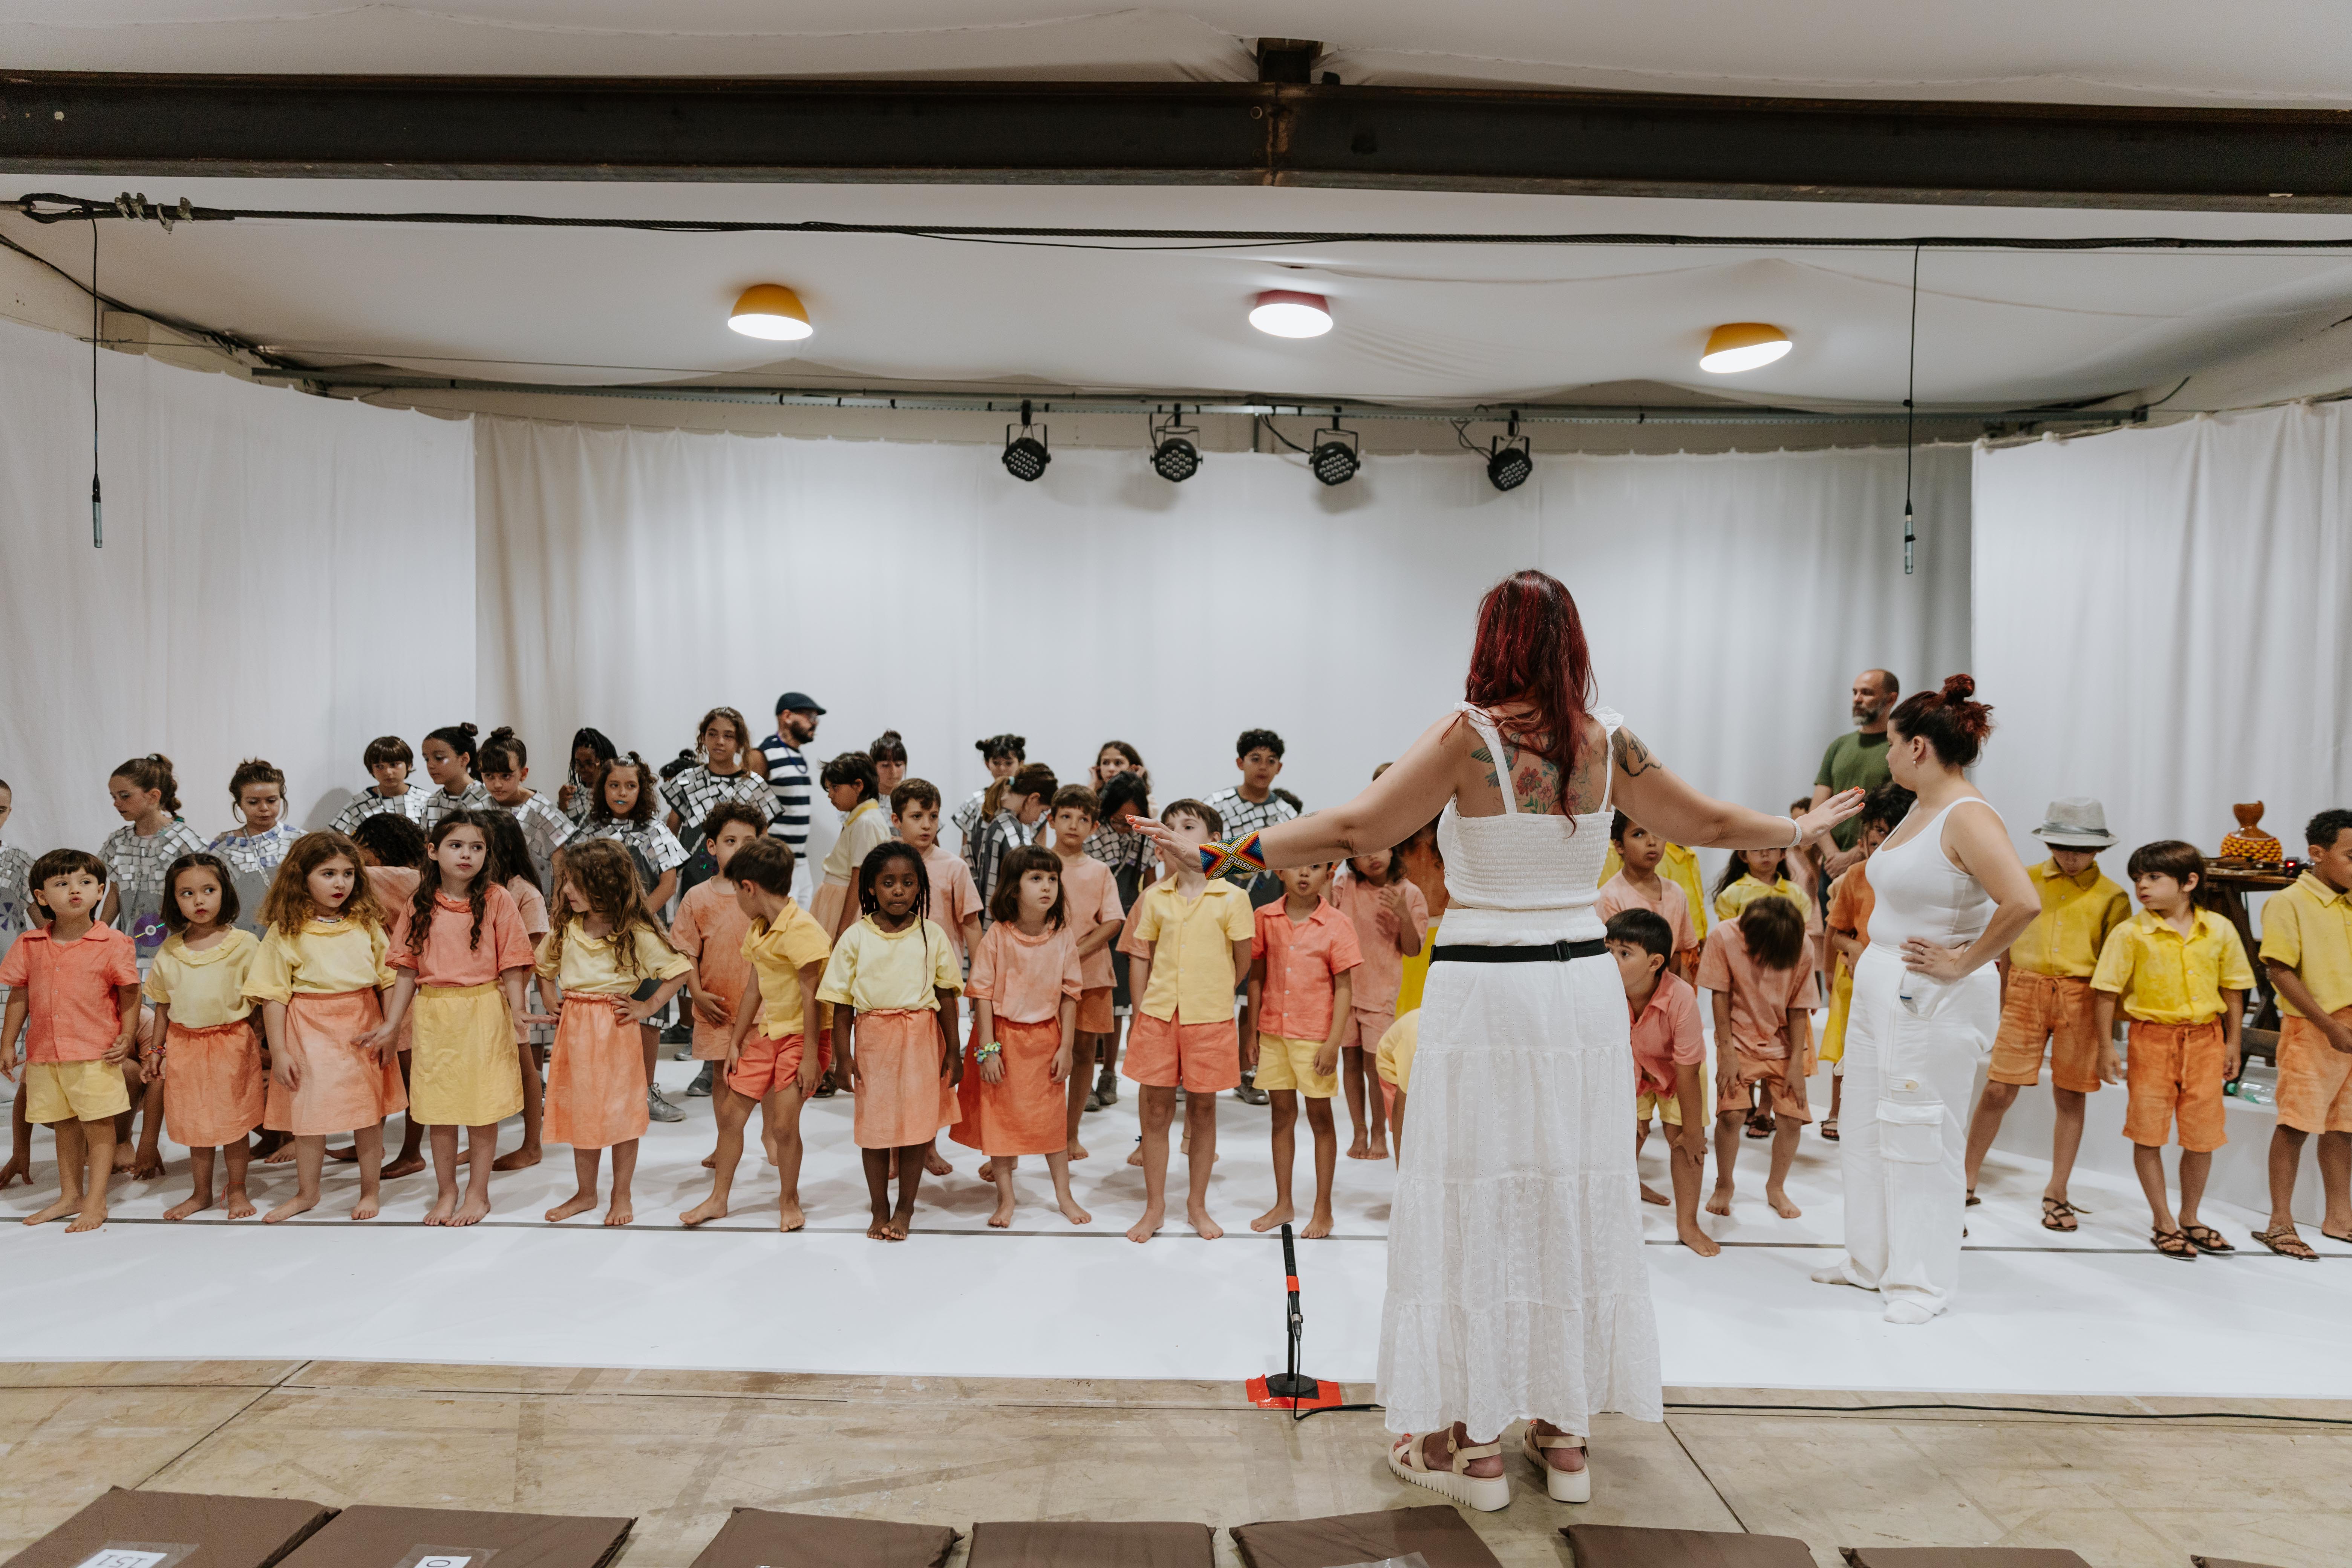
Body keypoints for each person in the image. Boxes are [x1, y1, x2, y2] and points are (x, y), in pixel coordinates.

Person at [1127, 569, 1864, 1509]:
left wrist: (1220, 852)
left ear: (1493, 641)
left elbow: (1357, 824)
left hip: (1485, 984)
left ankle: (1474, 1448)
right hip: (1579, 986)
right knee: (1569, 1189)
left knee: (1474, 1194)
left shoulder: (1466, 734)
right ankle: (1565, 1437)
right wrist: (1796, 825)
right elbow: (1714, 822)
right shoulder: (1608, 741)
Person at [1809, 675, 2036, 1325]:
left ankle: (1921, 1283)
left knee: (1919, 1133)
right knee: (1864, 1125)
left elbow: (2022, 902)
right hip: (1883, 978)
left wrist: (1964, 960)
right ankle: (1869, 1260)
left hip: (1933, 992)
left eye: (1892, 743)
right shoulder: (1920, 806)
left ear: (1917, 748)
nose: (1884, 753)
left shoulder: (1968, 814)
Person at [1961, 798, 2130, 1226]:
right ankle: (1964, 1176)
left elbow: (2113, 967)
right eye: (2061, 846)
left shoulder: (2112, 896)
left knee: (2071, 1093)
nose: (2071, 857)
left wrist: (2109, 1036)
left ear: (2099, 849)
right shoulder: (2026, 879)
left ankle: (2058, 1189)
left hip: (2082, 995)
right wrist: (2002, 999)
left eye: (2082, 849)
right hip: (2025, 989)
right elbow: (2006, 943)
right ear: (2049, 843)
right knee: (1998, 1088)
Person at [367, 810, 537, 1227]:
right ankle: (447, 1191)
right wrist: (392, 1022)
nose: (466, 855)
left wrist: (518, 1009)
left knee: (482, 1108)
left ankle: (478, 1193)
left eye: (477, 847)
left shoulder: (498, 898)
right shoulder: (419, 902)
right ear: (433, 851)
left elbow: (513, 961)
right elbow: (405, 968)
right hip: (434, 1014)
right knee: (439, 1108)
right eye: (456, 845)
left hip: (483, 1011)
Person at [2090, 839, 2254, 1260]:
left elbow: (2234, 989)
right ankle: (2163, 1220)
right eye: (2137, 878)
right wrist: (2106, 1045)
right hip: (2152, 1040)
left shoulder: (2218, 929)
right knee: (2148, 1132)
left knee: (2202, 1135)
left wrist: (2234, 1042)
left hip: (2206, 1039)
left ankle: (2191, 1216)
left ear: (2189, 882)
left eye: (2153, 877)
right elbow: (2106, 992)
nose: (2142, 886)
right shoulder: (2130, 933)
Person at [245, 831, 407, 1223]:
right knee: (309, 1114)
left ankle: (370, 1190)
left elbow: (389, 978)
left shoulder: (365, 922)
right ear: (302, 877)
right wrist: (279, 1050)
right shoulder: (287, 929)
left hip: (362, 1025)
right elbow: (273, 994)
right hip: (309, 1029)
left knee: (367, 1113)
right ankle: (307, 1192)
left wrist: (390, 1029)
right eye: (328, 873)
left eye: (348, 873)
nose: (341, 883)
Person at [536, 838, 693, 1228]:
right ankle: (586, 1192)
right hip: (575, 1033)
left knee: (622, 1114)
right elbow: (543, 967)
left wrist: (648, 1007)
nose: (566, 890)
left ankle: (621, 1193)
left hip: (615, 1032)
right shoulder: (566, 928)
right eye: (565, 881)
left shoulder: (634, 931)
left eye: (575, 882)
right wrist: (550, 997)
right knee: (582, 1112)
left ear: (605, 883)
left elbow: (678, 970)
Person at [1120, 799, 1256, 1244]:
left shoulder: (1233, 897)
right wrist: (1141, 1011)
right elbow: (1142, 957)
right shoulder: (1155, 897)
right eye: (1170, 826)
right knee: (1156, 1110)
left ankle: (1197, 1204)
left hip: (1209, 1018)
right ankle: (1155, 1206)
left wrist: (1214, 991)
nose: (1176, 832)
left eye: (1188, 825)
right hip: (1159, 1015)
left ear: (1214, 841)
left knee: (1202, 1110)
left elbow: (1241, 961)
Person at [822, 841, 965, 1240]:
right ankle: (879, 1207)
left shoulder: (932, 935)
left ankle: (905, 1208)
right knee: (875, 1130)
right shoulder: (855, 937)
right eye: (888, 882)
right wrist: (842, 1057)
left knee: (917, 1130)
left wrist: (954, 1051)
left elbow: (947, 996)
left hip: (921, 1041)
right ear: (871, 888)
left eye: (908, 882)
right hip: (874, 1044)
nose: (899, 890)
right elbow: (842, 1005)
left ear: (920, 886)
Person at [684, 838, 828, 1230]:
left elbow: (813, 997)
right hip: (771, 1032)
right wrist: (735, 1041)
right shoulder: (759, 928)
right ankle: (718, 1199)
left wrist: (812, 1056)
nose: (736, 899)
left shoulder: (803, 929)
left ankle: (789, 1199)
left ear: (749, 887)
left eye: (735, 890)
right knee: (731, 1114)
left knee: (783, 1125)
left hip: (804, 1037)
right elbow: (754, 987)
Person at [1, 848, 140, 1231]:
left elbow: (130, 992)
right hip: (46, 1053)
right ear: (42, 896)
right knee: (64, 1125)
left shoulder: (113, 942)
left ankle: (96, 1201)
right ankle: (71, 1196)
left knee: (98, 1124)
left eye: (85, 882)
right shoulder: (29, 944)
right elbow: (19, 996)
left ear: (100, 892)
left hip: (95, 1053)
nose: (75, 890)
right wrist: (8, 1043)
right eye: (62, 883)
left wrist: (127, 1034)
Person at [959, 843, 1089, 1228]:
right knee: (1000, 1121)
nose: (1047, 886)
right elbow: (982, 994)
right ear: (1014, 888)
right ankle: (1006, 1197)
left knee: (1051, 1123)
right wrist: (988, 1050)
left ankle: (1064, 1196)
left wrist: (1067, 1046)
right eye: (1035, 878)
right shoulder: (998, 936)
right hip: (1003, 1040)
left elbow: (1070, 994)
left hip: (1046, 1041)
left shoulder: (1062, 936)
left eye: (1052, 878)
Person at [142, 852, 265, 1221]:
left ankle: (238, 1189)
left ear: (224, 892)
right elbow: (162, 1004)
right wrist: (156, 1049)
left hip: (232, 1043)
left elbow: (262, 999)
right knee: (197, 1123)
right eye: (187, 893)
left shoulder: (244, 944)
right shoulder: (170, 950)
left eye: (209, 890)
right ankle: (201, 1193)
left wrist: (256, 1038)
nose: (199, 900)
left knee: (234, 1122)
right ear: (174, 900)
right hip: (185, 1046)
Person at [1245, 860, 1362, 1241]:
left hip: (1314, 1036)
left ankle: (1323, 1208)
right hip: (1273, 1033)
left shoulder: (1337, 924)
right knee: (1281, 1116)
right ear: (1280, 872)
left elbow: (1344, 987)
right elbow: (1257, 977)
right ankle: (1284, 1203)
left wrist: (1333, 1042)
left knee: (1321, 1119)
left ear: (1329, 873)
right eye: (1296, 866)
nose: (1304, 874)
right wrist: (1251, 1032)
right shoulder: (1265, 917)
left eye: (1314, 866)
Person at [2256, 807, 2352, 1259]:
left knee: (2345, 1126)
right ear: (2318, 852)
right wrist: (2329, 1025)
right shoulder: (2289, 902)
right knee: (2296, 1123)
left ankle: (2340, 1217)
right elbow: (2280, 970)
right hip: (2315, 1027)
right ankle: (2280, 1220)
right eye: (2351, 855)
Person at [577, 752, 691, 1124]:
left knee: (647, 1013)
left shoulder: (654, 829)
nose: (622, 792)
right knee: (600, 1012)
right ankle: (604, 1093)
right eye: (614, 785)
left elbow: (668, 883)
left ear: (642, 790)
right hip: (598, 937)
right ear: (602, 788)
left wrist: (634, 920)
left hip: (644, 935)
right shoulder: (590, 828)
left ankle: (646, 1091)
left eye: (630, 785)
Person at [1699, 896, 1815, 1221]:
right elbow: (1720, 995)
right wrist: (1726, 1052)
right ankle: (1724, 1183)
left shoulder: (1801, 942)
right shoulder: (1724, 936)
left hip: (1784, 1040)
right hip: (1737, 1036)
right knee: (1732, 1115)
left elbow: (1799, 1005)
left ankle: (1776, 1188)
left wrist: (1797, 1064)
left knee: (1792, 1117)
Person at [1607, 908, 1711, 1255]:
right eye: (1608, 950)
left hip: (1679, 1074)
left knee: (1683, 1141)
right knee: (1623, 1137)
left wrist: (1693, 1132)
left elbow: (1687, 1070)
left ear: (1655, 963)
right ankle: (1615, 1213)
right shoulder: (1603, 991)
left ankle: (1688, 1224)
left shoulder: (1681, 996)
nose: (1611, 960)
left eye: (1624, 953)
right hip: (1630, 1069)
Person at [1818, 784, 1914, 1143]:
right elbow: (1837, 931)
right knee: (1848, 1048)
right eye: (1876, 838)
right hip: (1856, 978)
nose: (1882, 844)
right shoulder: (1857, 876)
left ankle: (1886, 1115)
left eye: (1891, 835)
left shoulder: (1915, 878)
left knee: (1894, 1052)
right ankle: (1837, 1111)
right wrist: (1846, 955)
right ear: (1864, 840)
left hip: (1901, 980)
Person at [1329, 844, 1427, 1162]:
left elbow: (1413, 950)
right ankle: (1359, 1131)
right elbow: (1326, 919)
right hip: (1343, 990)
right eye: (1363, 853)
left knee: (1376, 1068)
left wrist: (1402, 914)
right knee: (1350, 1062)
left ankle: (1380, 1132)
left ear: (1393, 849)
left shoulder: (1409, 893)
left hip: (1380, 992)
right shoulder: (1346, 886)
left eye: (1379, 848)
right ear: (1353, 861)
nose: (1372, 856)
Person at [667, 802, 768, 1101]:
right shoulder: (697, 897)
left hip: (764, 1011)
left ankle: (770, 1132)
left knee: (766, 1082)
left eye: (748, 842)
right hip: (717, 1011)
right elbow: (686, 951)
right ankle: (727, 1134)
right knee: (722, 1081)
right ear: (712, 846)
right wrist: (697, 994)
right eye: (730, 841)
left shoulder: (767, 895)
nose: (739, 849)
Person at [1046, 787, 1125, 1160]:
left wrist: (1074, 953)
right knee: (1038, 1051)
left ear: (1094, 827)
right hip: (1042, 972)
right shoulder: (1037, 864)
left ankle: (1070, 1132)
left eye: (1082, 819)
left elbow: (1112, 921)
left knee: (1082, 1052)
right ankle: (1035, 1132)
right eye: (1066, 816)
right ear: (1051, 819)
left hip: (1091, 973)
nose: (1073, 825)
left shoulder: (1099, 871)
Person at [1083, 770, 1158, 1108]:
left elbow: (1151, 884)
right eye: (1117, 821)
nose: (1124, 829)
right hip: (1090, 925)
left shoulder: (1145, 838)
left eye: (1131, 822)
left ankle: (1109, 1074)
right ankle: (1084, 1076)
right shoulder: (1091, 836)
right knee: (1089, 1002)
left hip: (1128, 924)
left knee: (1118, 1004)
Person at [100, 753, 208, 965]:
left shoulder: (185, 842)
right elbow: (115, 891)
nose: (117, 803)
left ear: (153, 796)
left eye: (125, 796)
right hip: (129, 948)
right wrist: (99, 934)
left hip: (176, 949)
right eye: (114, 797)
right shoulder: (117, 842)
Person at [1811, 668, 1901, 874]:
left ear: (1891, 699)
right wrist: (1833, 856)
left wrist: (1857, 854)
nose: (1857, 699)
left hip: (1878, 864)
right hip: (1832, 868)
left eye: (1867, 693)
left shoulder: (1899, 748)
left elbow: (1904, 811)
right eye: (1855, 692)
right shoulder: (1839, 746)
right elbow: (1817, 809)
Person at [1597, 814, 1698, 981]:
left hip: (1665, 988)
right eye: (1639, 834)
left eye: (1657, 833)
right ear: (1619, 846)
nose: (1652, 842)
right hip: (1623, 989)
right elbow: (1608, 960)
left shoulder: (1675, 892)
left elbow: (1679, 952)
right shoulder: (1609, 897)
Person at [478, 727, 579, 891]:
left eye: (506, 776)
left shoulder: (542, 810)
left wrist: (557, 906)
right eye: (489, 776)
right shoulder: (477, 810)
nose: (497, 784)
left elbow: (560, 868)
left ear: (523, 774)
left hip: (535, 897)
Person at [210, 759, 299, 937]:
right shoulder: (223, 848)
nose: (264, 808)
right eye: (253, 802)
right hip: (241, 937)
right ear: (239, 804)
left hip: (294, 933)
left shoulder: (300, 842)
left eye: (272, 801)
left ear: (281, 799)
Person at [815, 751, 893, 939]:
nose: (830, 795)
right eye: (828, 789)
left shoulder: (866, 822)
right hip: (835, 897)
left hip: (843, 901)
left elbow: (859, 879)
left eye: (835, 788)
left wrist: (842, 930)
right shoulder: (858, 818)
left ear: (858, 785)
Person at [758, 693, 824, 890]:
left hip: (799, 859)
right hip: (776, 860)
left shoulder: (796, 754)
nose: (815, 723)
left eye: (816, 718)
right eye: (810, 717)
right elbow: (747, 808)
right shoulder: (764, 753)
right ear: (787, 717)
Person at [974, 764, 1056, 921]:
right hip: (1008, 924)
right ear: (1033, 798)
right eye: (1042, 811)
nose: (1037, 819)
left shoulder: (995, 819)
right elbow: (1023, 889)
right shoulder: (1014, 831)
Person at [332, 736, 430, 836]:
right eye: (379, 767)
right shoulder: (358, 805)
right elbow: (339, 841)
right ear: (372, 770)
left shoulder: (427, 801)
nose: (388, 772)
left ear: (409, 765)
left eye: (394, 764)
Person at [954, 734, 1026, 867]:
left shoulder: (1029, 803)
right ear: (988, 764)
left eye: (1009, 763)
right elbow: (965, 851)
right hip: (977, 877)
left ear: (1021, 763)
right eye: (996, 763)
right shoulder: (974, 803)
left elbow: (1040, 850)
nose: (1002, 769)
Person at [416, 722, 495, 831]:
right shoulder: (432, 801)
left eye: (439, 758)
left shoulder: (486, 798)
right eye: (427, 759)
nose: (430, 765)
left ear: (464, 759)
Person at [1374, 1007, 1419, 1156]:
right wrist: (1402, 1168)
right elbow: (1401, 1109)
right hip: (1391, 1066)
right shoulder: (1414, 1040)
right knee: (1410, 1121)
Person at [556, 727, 620, 825]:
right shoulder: (571, 797)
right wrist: (561, 807)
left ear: (606, 762)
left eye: (589, 764)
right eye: (579, 764)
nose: (583, 769)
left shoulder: (617, 794)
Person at [870, 731, 909, 802]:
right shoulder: (863, 802)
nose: (893, 771)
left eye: (898, 765)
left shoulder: (913, 801)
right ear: (873, 766)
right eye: (885, 765)